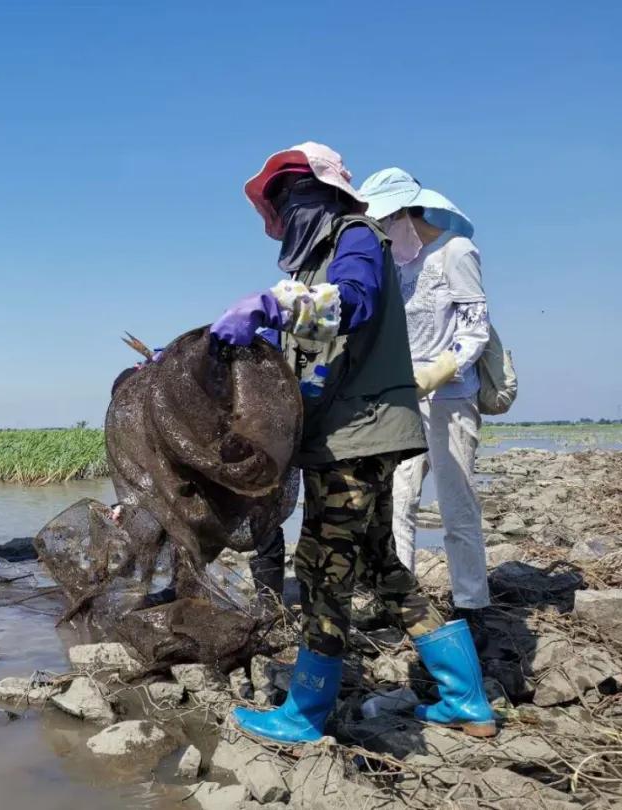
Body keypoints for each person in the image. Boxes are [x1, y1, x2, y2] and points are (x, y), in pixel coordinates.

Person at [209, 142, 494, 743]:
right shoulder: (313, 264)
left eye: (292, 196)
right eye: (279, 202)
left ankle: (305, 712)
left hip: (357, 437)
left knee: (319, 568)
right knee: (385, 568)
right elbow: (299, 353)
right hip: (348, 435)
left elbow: (354, 304)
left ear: (323, 193)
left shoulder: (357, 235)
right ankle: (464, 698)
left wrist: (271, 304)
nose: (285, 211)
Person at [358, 168, 491, 626]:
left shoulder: (455, 252)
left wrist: (436, 373)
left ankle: (471, 607)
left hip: (452, 396)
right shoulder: (396, 264)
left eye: (385, 221)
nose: (380, 230)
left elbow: (475, 331)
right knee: (398, 501)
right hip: (404, 398)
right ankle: (401, 602)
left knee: (457, 504)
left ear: (406, 214)